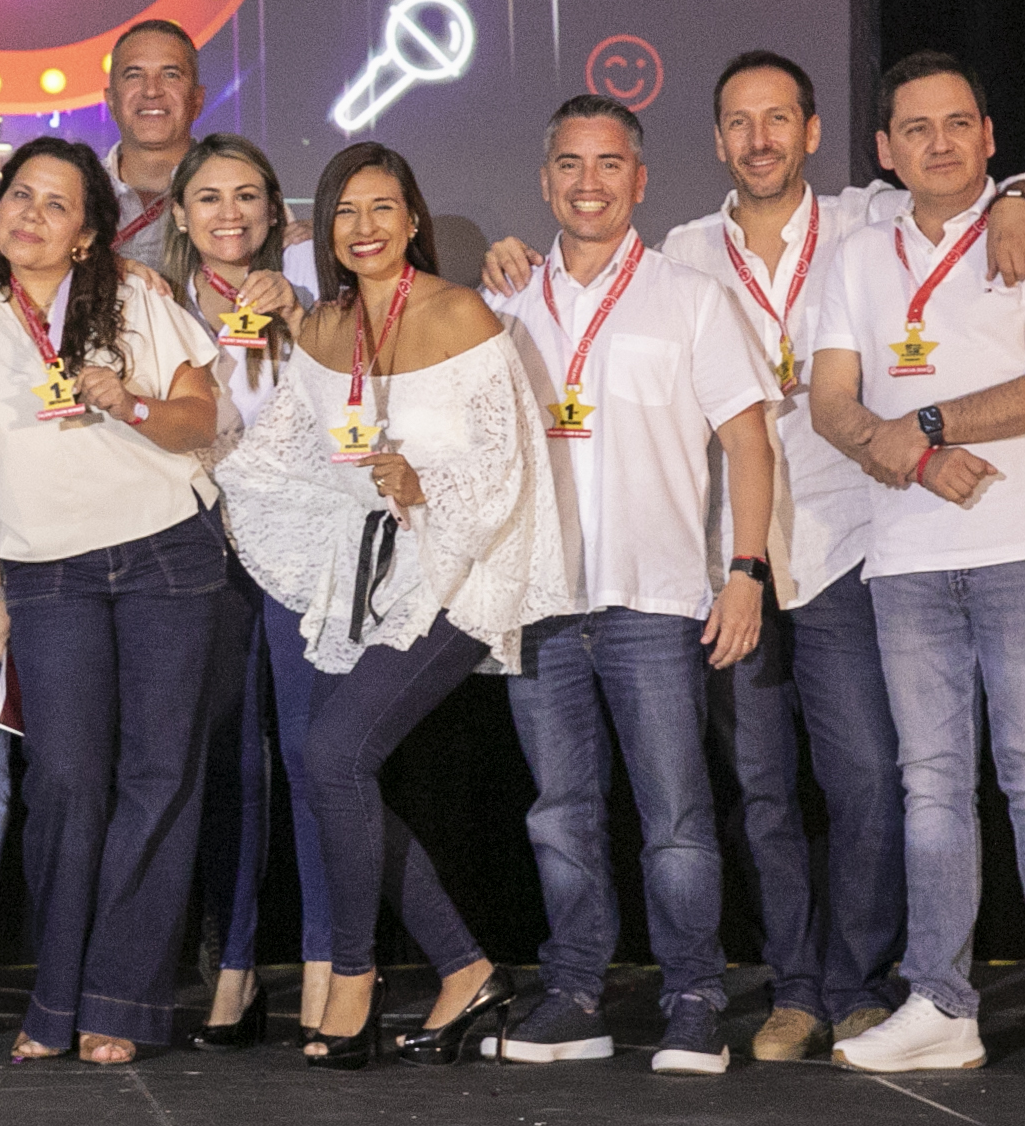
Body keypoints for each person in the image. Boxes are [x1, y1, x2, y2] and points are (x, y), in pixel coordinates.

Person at [484, 59, 1025, 1064]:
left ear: (811, 131)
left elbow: (963, 188)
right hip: (720, 559)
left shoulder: (868, 220)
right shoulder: (685, 251)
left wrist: (1023, 194)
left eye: (777, 119)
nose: (759, 140)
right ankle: (794, 990)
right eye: (739, 123)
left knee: (868, 781)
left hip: (843, 543)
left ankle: (857, 984)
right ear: (714, 142)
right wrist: (505, 257)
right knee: (760, 793)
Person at [808, 51, 1025, 1085]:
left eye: (957, 124)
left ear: (989, 137)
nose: (939, 143)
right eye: (916, 128)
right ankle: (941, 1004)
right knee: (931, 788)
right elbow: (829, 401)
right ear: (883, 149)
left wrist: (928, 424)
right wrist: (908, 453)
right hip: (907, 558)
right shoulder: (859, 257)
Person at [215, 142, 568, 1069]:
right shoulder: (327, 329)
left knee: (332, 753)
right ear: (324, 231)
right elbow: (284, 454)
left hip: (461, 571)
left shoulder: (461, 313)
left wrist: (421, 485)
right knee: (332, 764)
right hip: (374, 577)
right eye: (345, 211)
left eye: (382, 208)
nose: (364, 227)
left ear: (413, 218)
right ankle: (466, 969)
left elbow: (505, 465)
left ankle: (356, 974)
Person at [473, 95, 786, 1074]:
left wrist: (746, 572)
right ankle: (574, 993)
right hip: (540, 602)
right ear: (544, 180)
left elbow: (749, 442)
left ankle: (693, 996)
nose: (589, 183)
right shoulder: (501, 303)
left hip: (655, 600)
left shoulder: (689, 297)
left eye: (609, 164)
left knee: (676, 818)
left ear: (640, 181)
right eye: (570, 164)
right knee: (560, 813)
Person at [0, 137, 226, 1063]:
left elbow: (201, 419)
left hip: (164, 553)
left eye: (57, 204)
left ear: (88, 233)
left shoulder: (136, 299)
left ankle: (120, 1001)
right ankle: (55, 996)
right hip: (45, 573)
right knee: (63, 782)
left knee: (157, 778)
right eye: (21, 195)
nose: (32, 215)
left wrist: (129, 402)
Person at [165, 134, 325, 1049]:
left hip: (303, 552)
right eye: (210, 197)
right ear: (181, 214)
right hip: (203, 554)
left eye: (247, 196)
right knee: (231, 766)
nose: (230, 214)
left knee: (314, 757)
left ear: (274, 212)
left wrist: (300, 313)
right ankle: (232, 969)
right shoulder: (157, 305)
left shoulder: (309, 288)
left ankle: (328, 964)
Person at [100, 20, 209, 269]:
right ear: (111, 101)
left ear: (197, 100)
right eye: (134, 75)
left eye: (170, 75)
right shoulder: (76, 191)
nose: (151, 91)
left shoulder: (242, 194)